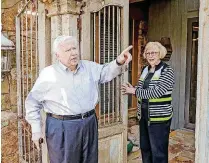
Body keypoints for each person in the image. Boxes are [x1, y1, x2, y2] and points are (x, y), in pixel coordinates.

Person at [25, 35, 132, 163]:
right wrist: (36, 130)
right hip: (62, 126)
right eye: (68, 50)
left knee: (90, 160)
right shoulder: (48, 74)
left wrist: (118, 62)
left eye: (74, 48)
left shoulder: (89, 67)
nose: (73, 53)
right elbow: (32, 102)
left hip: (89, 122)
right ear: (57, 55)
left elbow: (106, 72)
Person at [121, 41, 174, 163]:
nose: (150, 55)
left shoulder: (167, 71)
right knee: (145, 147)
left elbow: (157, 92)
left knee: (158, 151)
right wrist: (133, 88)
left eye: (154, 53)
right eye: (148, 53)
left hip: (159, 118)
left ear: (160, 53)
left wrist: (134, 91)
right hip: (144, 116)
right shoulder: (146, 69)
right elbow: (141, 88)